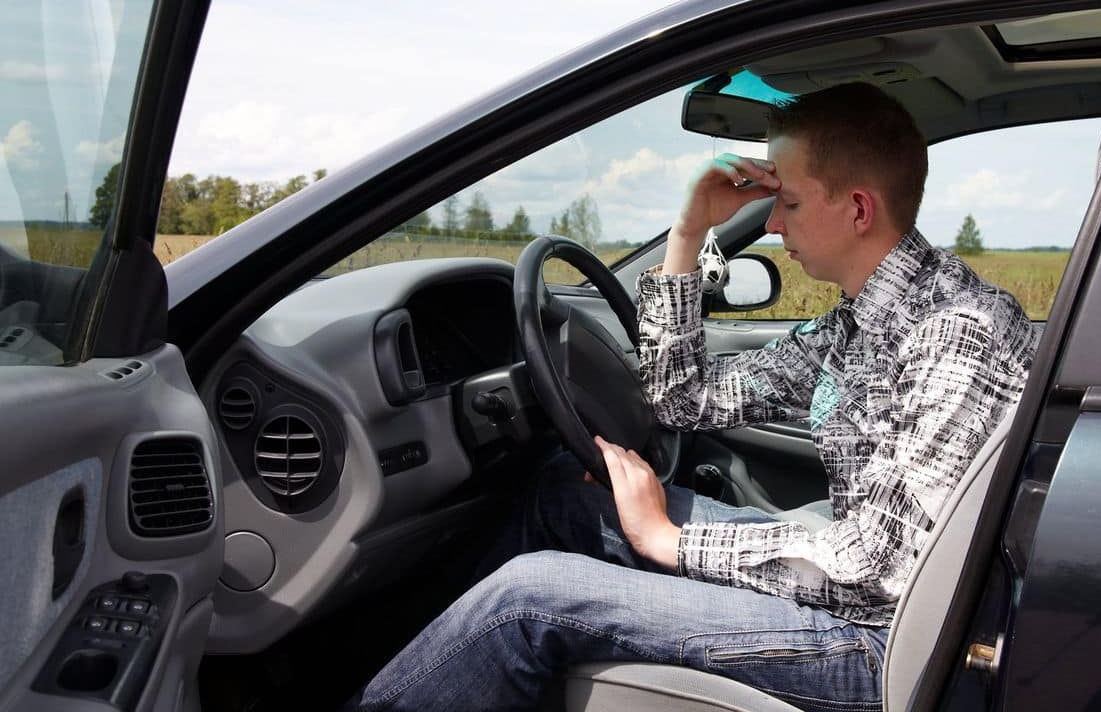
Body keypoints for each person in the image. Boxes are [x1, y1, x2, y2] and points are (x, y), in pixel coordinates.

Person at [350, 82, 1038, 712]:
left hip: (882, 643)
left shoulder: (954, 335)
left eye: (790, 203)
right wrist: (688, 233)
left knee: (526, 598)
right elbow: (686, 403)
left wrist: (670, 540)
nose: (772, 226)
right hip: (852, 578)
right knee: (560, 495)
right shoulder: (861, 320)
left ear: (859, 208)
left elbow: (877, 572)